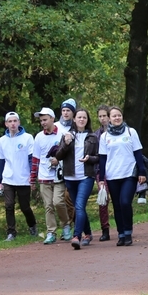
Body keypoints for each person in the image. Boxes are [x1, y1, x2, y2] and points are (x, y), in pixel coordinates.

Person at [98, 106, 146, 246]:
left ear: (122, 117)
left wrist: (142, 172)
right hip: (112, 175)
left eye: (119, 115)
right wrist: (101, 178)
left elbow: (138, 152)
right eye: (114, 116)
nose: (117, 118)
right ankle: (121, 234)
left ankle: (128, 231)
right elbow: (102, 158)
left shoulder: (131, 132)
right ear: (109, 119)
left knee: (125, 202)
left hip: (129, 173)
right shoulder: (104, 136)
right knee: (117, 205)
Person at [55, 108, 99, 249]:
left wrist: (89, 158)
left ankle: (77, 236)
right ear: (74, 119)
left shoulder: (93, 137)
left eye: (84, 118)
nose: (81, 120)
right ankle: (88, 234)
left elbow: (99, 157)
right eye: (79, 117)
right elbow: (59, 156)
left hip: (86, 176)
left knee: (79, 206)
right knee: (78, 207)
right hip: (70, 177)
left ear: (87, 120)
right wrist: (66, 144)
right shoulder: (67, 136)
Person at [31, 107, 70, 244]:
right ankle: (51, 232)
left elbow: (69, 154)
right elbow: (35, 159)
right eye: (41, 120)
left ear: (53, 119)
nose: (43, 122)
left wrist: (58, 160)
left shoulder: (63, 134)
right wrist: (32, 179)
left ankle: (66, 225)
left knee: (58, 202)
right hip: (43, 176)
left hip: (59, 176)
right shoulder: (39, 137)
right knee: (48, 205)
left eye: (45, 119)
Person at [0, 112, 38, 241]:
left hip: (23, 178)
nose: (13, 124)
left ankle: (32, 226)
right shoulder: (2, 141)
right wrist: (0, 181)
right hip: (8, 178)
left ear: (19, 122)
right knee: (9, 205)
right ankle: (11, 233)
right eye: (10, 121)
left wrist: (32, 177)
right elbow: (1, 161)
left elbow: (32, 159)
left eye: (15, 121)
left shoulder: (28, 138)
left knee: (25, 207)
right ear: (6, 124)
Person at [94, 105, 113, 241]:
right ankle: (105, 229)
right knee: (103, 199)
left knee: (120, 200)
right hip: (101, 171)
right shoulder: (96, 135)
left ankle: (124, 227)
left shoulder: (119, 131)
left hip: (118, 170)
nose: (102, 119)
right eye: (100, 116)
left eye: (104, 116)